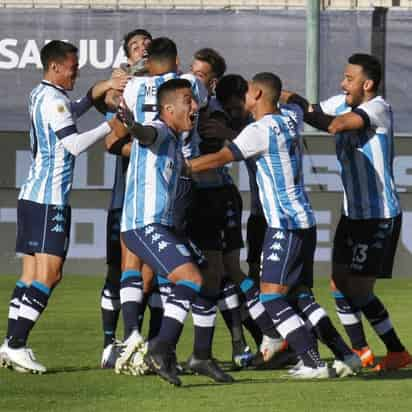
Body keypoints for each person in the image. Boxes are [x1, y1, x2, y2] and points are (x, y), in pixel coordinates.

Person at [187, 72, 362, 379]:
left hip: (285, 224)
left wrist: (182, 165)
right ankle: (347, 356)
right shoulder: (291, 119)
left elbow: (220, 158)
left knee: (271, 296)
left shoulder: (258, 131)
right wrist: (284, 94)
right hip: (303, 221)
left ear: (255, 93)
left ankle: (312, 361)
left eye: (247, 94)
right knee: (301, 296)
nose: (242, 100)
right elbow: (296, 103)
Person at [0, 40, 128, 374]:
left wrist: (97, 94)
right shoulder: (55, 100)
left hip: (31, 196)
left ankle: (9, 343)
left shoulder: (40, 94)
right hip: (49, 199)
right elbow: (72, 144)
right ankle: (16, 345)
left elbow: (71, 111)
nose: (76, 71)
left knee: (30, 275)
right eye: (73, 66)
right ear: (56, 67)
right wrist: (111, 124)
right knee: (51, 274)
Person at [281, 53, 411, 371]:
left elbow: (336, 126)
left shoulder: (377, 108)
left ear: (367, 84)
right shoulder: (342, 101)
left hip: (379, 215)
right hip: (352, 213)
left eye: (349, 79)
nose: (343, 84)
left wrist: (297, 101)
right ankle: (361, 351)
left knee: (360, 290)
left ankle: (397, 351)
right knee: (338, 282)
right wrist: (283, 97)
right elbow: (315, 112)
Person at [106, 78, 213, 387]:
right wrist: (132, 125)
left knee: (200, 277)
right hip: (143, 224)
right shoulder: (162, 129)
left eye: (194, 101)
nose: (194, 107)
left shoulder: (176, 140)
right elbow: (146, 133)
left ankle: (192, 354)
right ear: (168, 108)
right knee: (191, 278)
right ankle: (160, 348)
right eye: (187, 101)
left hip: (160, 224)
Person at [100, 28, 152, 370]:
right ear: (127, 56)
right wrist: (150, 151)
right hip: (126, 197)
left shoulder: (168, 87)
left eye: (147, 44)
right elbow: (112, 142)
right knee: (117, 270)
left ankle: (138, 342)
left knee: (151, 275)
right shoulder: (122, 93)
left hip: (159, 200)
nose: (142, 49)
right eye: (135, 46)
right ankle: (110, 344)